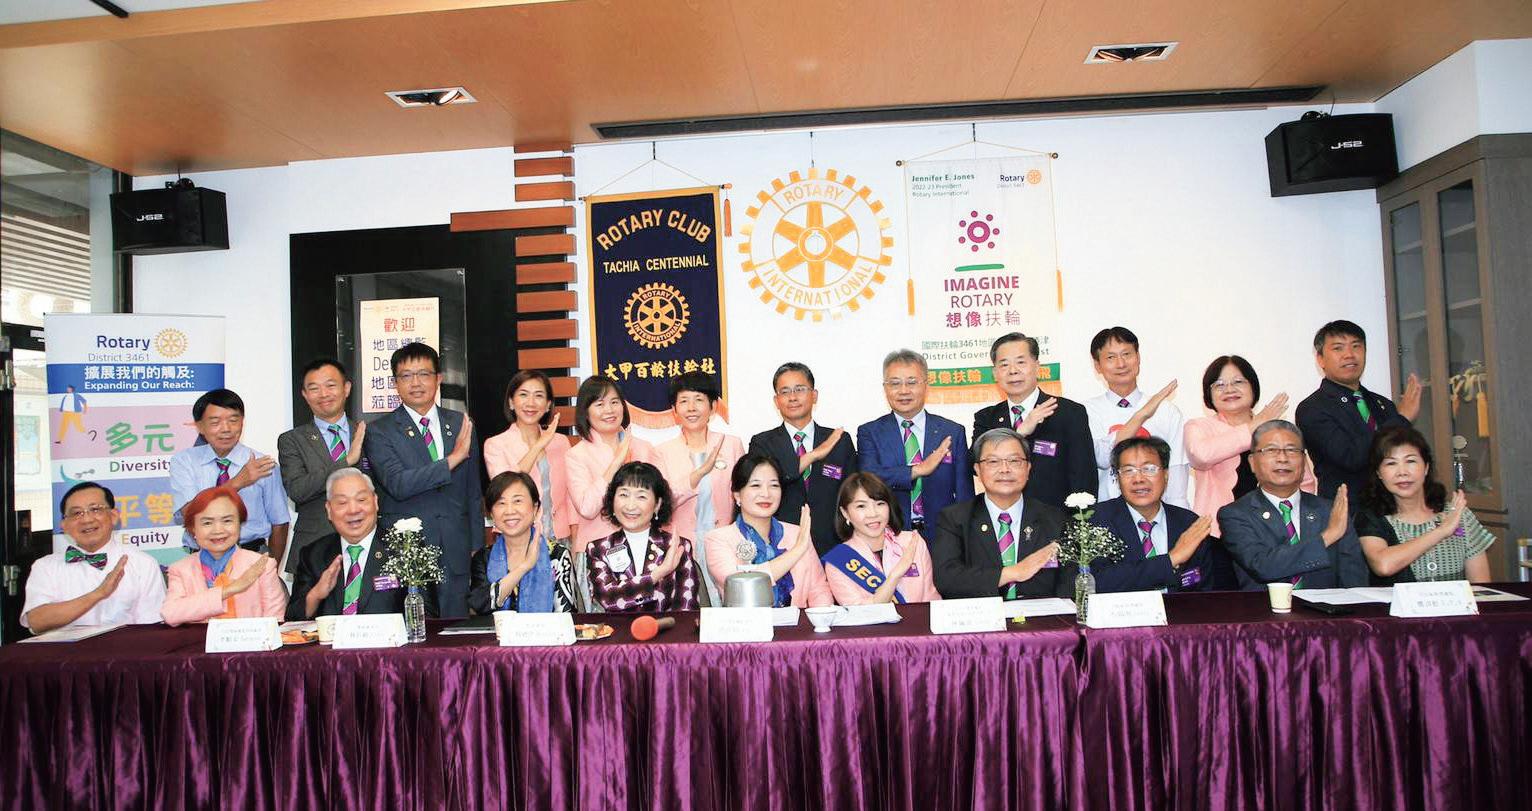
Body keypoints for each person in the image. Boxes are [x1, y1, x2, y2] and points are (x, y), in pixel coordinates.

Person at [361, 342, 480, 618]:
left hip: (455, 549)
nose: (415, 383)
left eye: (424, 374)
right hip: (406, 552)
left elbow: (473, 492)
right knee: (412, 635)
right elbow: (398, 484)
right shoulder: (379, 431)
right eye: (406, 376)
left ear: (438, 378)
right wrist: (452, 460)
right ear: (395, 383)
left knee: (456, 633)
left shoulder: (461, 424)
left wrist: (475, 546)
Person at [1218, 420, 1367, 589]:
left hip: (1325, 606)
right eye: (1271, 450)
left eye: (1292, 450)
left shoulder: (1331, 511)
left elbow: (1354, 579)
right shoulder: (1236, 514)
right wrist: (1327, 537)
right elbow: (1262, 566)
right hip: (1264, 606)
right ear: (1252, 462)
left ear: (1304, 460)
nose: (1283, 458)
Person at [930, 427, 1070, 599]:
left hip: (1042, 614)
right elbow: (947, 579)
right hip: (981, 614)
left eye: (1014, 461)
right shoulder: (954, 518)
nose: (1005, 469)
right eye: (993, 462)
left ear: (1028, 468)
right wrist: (1013, 573)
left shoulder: (1055, 519)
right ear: (978, 470)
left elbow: (1069, 582)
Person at [1184, 355, 1313, 535]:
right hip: (1218, 533)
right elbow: (1202, 456)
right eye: (1219, 384)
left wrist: (1301, 522)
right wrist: (1254, 425)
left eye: (1238, 381)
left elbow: (1305, 482)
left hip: (1277, 532)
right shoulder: (1199, 427)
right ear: (1208, 393)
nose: (1229, 389)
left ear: (1253, 386)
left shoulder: (1277, 430)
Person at [1296, 320, 1421, 499]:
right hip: (1346, 510)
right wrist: (1401, 419)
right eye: (1338, 348)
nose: (1349, 354)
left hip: (1393, 506)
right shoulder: (1312, 408)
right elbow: (1351, 457)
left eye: (1356, 346)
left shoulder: (1382, 403)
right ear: (1320, 359)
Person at [856, 349, 972, 542]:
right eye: (895, 383)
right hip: (889, 536)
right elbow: (868, 479)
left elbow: (964, 494)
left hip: (944, 537)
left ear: (926, 385)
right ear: (885, 388)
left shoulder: (952, 432)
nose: (903, 391)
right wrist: (917, 471)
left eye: (912, 382)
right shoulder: (870, 432)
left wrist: (964, 540)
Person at [21, 481, 166, 633]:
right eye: (77, 513)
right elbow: (37, 621)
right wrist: (99, 593)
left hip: (124, 648)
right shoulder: (45, 567)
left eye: (95, 509)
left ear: (114, 516)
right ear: (64, 525)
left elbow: (151, 629)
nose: (87, 519)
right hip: (64, 649)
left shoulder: (142, 564)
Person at [971, 333, 1095, 510]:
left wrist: (1077, 523)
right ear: (995, 373)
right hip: (1002, 520)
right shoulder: (986, 417)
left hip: (1056, 520)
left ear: (1037, 367)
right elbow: (972, 464)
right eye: (1004, 364)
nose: (1013, 370)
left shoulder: (1069, 413)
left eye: (1021, 362)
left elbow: (1083, 477)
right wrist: (1019, 433)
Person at [1355, 426, 1493, 584]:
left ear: (1426, 467)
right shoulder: (1371, 519)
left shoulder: (1458, 515)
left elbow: (1481, 586)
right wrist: (1441, 531)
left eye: (1410, 461)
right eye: (1391, 463)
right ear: (1379, 473)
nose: (1402, 472)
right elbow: (1383, 565)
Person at [169, 388, 291, 562]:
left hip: (252, 556)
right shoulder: (184, 461)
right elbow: (190, 513)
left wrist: (272, 569)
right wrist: (237, 483)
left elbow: (280, 522)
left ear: (242, 422)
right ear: (200, 427)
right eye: (215, 422)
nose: (226, 429)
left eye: (233, 420)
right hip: (201, 558)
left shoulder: (263, 465)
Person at [1088, 437, 1224, 593]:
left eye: (1149, 469)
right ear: (1117, 478)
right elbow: (1097, 582)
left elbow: (1203, 591)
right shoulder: (1097, 520)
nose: (1138, 479)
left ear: (1166, 475)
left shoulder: (1188, 523)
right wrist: (1171, 560)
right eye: (1128, 471)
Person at [748, 362, 858, 555]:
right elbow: (763, 484)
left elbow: (854, 493)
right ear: (776, 400)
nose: (792, 397)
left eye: (799, 389)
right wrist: (813, 455)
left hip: (835, 545)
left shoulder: (839, 440)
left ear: (814, 395)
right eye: (785, 391)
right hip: (780, 545)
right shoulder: (762, 443)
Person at [656, 371, 745, 606]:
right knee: (690, 609)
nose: (691, 408)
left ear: (713, 406)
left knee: (730, 605)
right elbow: (661, 503)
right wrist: (697, 475)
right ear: (674, 410)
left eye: (699, 399)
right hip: (682, 545)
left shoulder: (731, 445)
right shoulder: (662, 452)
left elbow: (743, 495)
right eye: (684, 401)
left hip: (726, 542)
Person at [288, 467, 425, 619]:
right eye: (342, 502)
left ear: (375, 502)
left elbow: (427, 616)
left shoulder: (405, 550)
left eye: (361, 500)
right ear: (329, 510)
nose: (353, 510)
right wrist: (316, 594)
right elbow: (293, 620)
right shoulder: (313, 555)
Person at [704, 454, 833, 608]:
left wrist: (820, 619)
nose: (766, 494)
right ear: (737, 495)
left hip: (796, 622)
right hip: (746, 623)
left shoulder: (797, 533)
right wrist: (797, 551)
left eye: (774, 485)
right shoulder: (718, 539)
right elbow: (741, 585)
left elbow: (818, 589)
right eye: (756, 485)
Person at [1083, 327, 1190, 508]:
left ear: (1138, 357)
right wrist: (1141, 415)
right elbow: (1102, 459)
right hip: (1107, 515)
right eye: (1111, 357)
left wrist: (1180, 518)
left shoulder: (1167, 411)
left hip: (1157, 514)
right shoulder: (1085, 411)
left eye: (1127, 354)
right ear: (1097, 365)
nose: (1121, 363)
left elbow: (1176, 472)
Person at [278, 358, 366, 575]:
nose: (323, 394)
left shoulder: (367, 433)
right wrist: (346, 461)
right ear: (305, 395)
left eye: (330, 385)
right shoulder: (292, 440)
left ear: (346, 388)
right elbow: (297, 489)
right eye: (314, 388)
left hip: (366, 543)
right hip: (313, 547)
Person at [584, 461, 701, 612]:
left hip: (669, 627)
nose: (630, 506)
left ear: (657, 504)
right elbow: (608, 599)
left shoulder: (677, 546)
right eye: (624, 495)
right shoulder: (598, 549)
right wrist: (658, 573)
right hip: (616, 628)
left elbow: (687, 608)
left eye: (641, 496)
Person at [161, 486, 287, 626]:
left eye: (227, 521)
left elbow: (275, 623)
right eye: (207, 523)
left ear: (239, 524)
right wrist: (229, 590)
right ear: (193, 529)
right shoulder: (180, 569)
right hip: (199, 641)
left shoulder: (262, 566)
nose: (218, 530)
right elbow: (170, 614)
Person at [565, 376, 659, 556]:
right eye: (599, 404)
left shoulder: (644, 448)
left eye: (615, 402)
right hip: (598, 552)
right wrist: (616, 462)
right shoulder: (576, 455)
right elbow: (587, 508)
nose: (609, 410)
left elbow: (659, 500)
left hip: (644, 550)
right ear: (586, 412)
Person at [822, 471, 941, 605]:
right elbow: (859, 613)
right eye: (861, 506)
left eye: (880, 504)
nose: (873, 514)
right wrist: (895, 575)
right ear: (845, 513)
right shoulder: (839, 561)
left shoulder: (912, 542)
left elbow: (931, 599)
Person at [468, 471, 575, 614]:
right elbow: (480, 604)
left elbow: (566, 616)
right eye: (501, 503)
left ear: (535, 508)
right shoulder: (483, 558)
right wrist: (525, 566)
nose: (509, 511)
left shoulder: (557, 555)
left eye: (517, 501)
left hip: (547, 629)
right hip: (495, 630)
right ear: (492, 514)